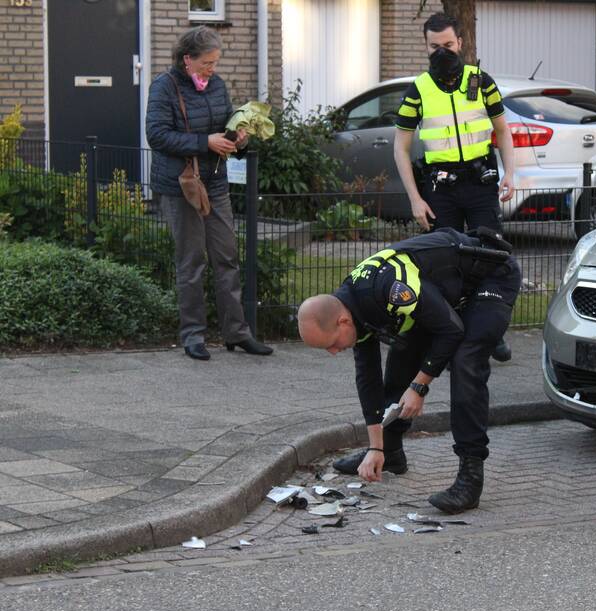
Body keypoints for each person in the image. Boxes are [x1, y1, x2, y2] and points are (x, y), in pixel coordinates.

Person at [297, 227, 521, 514]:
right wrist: (374, 446)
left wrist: (419, 386)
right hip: (445, 293)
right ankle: (388, 452)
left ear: (342, 322)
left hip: (491, 278)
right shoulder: (352, 305)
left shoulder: (389, 289)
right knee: (403, 354)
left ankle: (471, 475)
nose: (332, 352)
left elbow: (451, 331)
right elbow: (368, 379)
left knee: (466, 360)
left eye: (331, 344)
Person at [393, 12, 515, 362]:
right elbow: (400, 148)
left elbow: (502, 131)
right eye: (435, 47)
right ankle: (449, 333)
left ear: (460, 43)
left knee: (491, 258)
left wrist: (511, 173)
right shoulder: (418, 90)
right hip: (440, 189)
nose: (442, 52)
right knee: (446, 264)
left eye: (448, 45)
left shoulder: (482, 82)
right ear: (425, 47)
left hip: (480, 184)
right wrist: (415, 199)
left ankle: (493, 333)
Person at [145, 26, 273, 361]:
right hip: (181, 186)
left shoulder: (215, 85)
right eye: (206, 63)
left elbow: (224, 124)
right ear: (187, 59)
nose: (212, 69)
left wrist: (236, 138)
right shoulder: (164, 87)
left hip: (214, 182)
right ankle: (193, 336)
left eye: (215, 62)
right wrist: (205, 142)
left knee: (226, 257)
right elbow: (156, 135)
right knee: (191, 261)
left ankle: (237, 332)